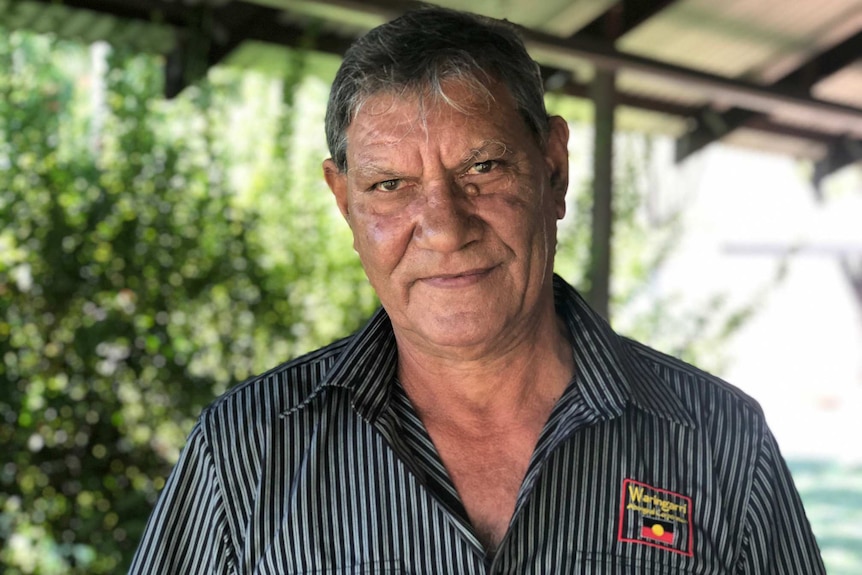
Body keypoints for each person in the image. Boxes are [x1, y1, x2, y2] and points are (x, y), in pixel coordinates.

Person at [129, 6, 826, 574]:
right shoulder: (245, 454)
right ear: (345, 204)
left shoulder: (721, 443)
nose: (443, 225)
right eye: (389, 186)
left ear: (552, 167)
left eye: (483, 167)